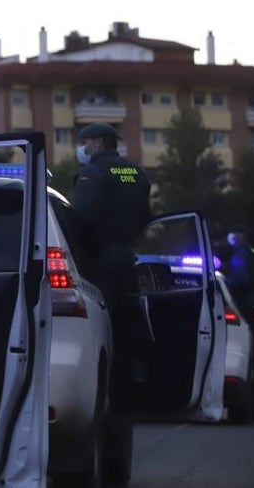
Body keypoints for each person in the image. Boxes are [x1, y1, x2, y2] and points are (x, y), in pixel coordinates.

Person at [72, 122, 152, 415]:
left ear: (100, 143)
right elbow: (145, 217)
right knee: (124, 322)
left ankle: (101, 389)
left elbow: (82, 218)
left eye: (85, 142)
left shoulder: (92, 173)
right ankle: (127, 386)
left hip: (98, 259)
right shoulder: (136, 172)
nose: (82, 148)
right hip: (127, 256)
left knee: (99, 323)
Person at [226, 227, 254, 321]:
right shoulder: (248, 252)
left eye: (237, 234)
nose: (234, 237)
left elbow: (240, 280)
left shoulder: (241, 254)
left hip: (245, 302)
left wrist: (229, 287)